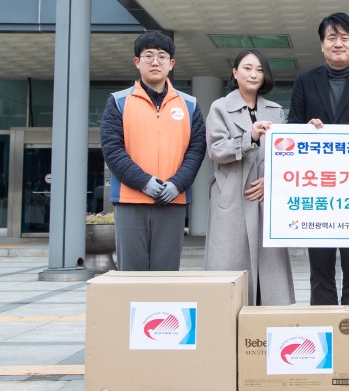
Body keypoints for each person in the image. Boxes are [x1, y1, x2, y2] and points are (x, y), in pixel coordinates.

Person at [288, 12, 349, 310]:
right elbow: (293, 127)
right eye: (332, 38)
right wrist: (307, 131)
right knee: (319, 268)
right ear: (322, 45)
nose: (338, 43)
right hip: (317, 191)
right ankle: (325, 326)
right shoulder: (304, 81)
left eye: (345, 38)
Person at [101, 31, 206, 271]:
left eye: (162, 56)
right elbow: (112, 149)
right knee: (132, 273)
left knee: (166, 274)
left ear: (171, 64)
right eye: (148, 56)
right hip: (130, 200)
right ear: (137, 62)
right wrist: (145, 183)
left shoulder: (189, 105)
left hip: (173, 200)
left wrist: (177, 184)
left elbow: (197, 149)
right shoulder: (118, 101)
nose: (155, 61)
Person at [205, 49, 294, 305]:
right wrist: (250, 137)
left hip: (266, 196)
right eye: (247, 68)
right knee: (230, 267)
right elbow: (217, 150)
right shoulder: (220, 107)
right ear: (234, 72)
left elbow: (285, 153)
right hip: (233, 195)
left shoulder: (275, 110)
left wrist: (273, 181)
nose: (253, 74)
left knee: (269, 270)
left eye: (259, 69)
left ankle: (265, 328)